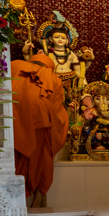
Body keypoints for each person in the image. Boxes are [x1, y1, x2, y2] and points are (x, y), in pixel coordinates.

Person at [12, 39, 69, 207]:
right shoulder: (53, 77)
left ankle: (16, 202)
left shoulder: (15, 66)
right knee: (42, 161)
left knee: (19, 160)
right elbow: (57, 105)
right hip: (43, 124)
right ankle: (37, 199)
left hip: (17, 123)